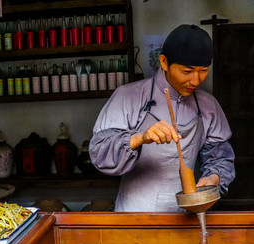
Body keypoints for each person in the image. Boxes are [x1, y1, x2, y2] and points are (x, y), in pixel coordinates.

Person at [90, 24, 235, 212]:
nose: (196, 80)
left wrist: (213, 178)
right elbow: (99, 152)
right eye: (187, 71)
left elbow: (220, 158)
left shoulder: (208, 105)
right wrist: (139, 138)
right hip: (135, 213)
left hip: (187, 215)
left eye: (203, 70)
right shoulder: (128, 96)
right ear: (164, 62)